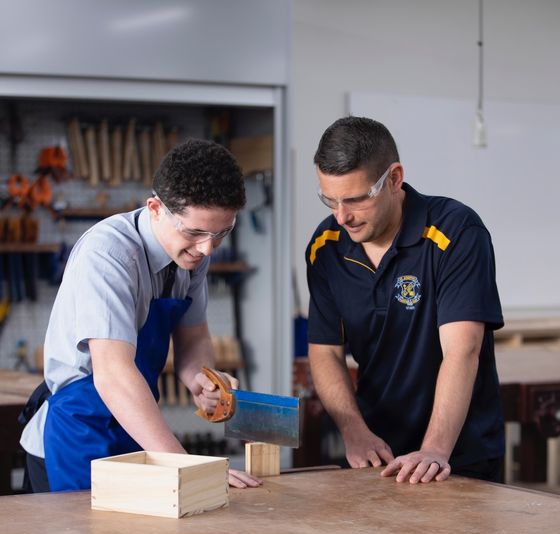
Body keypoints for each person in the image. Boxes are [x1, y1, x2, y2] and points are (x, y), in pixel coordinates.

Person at [19, 138, 262, 492]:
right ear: (155, 208)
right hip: (75, 433)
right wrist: (188, 467)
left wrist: (203, 380)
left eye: (221, 232)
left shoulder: (193, 257)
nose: (207, 248)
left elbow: (193, 338)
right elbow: (114, 375)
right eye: (194, 232)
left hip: (135, 425)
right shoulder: (109, 255)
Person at [306, 116, 504, 484]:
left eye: (355, 199)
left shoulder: (455, 232)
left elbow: (462, 351)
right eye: (329, 200)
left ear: (394, 179)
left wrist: (434, 450)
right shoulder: (325, 247)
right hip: (379, 455)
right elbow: (326, 351)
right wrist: (354, 430)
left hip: (458, 456)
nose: (341, 216)